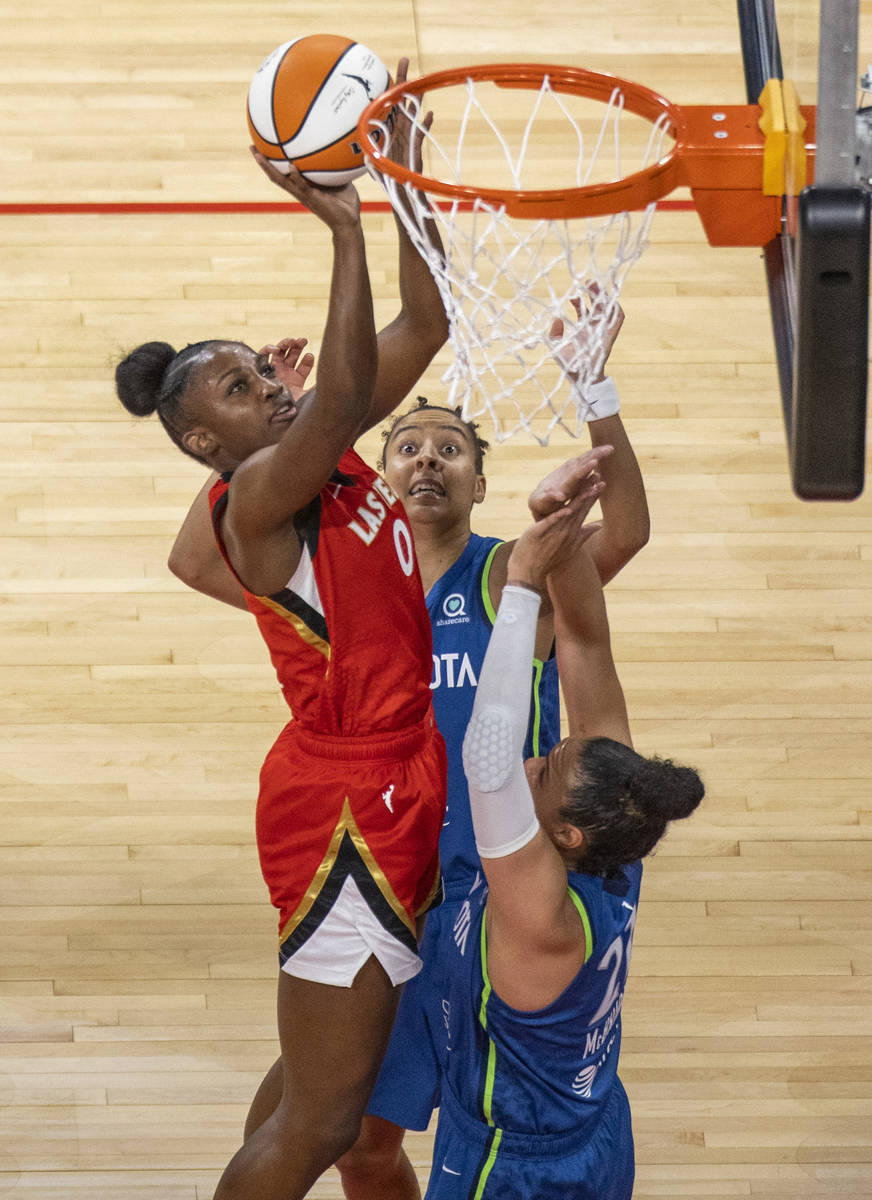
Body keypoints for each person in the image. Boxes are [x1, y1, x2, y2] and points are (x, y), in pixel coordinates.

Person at [167, 311, 649, 1198]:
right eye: (407, 446)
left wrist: (596, 394)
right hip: (388, 883)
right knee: (345, 1132)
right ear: (373, 474)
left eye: (451, 448)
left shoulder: (516, 574)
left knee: (470, 1110)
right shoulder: (343, 583)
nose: (427, 459)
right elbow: (197, 562)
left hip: (497, 899)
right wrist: (289, 433)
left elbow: (619, 537)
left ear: (477, 484)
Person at [114, 63, 454, 1200]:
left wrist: (402, 181)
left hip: (394, 769)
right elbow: (354, 370)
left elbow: (428, 321)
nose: (264, 384)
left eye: (256, 369)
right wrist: (343, 227)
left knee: (313, 1080)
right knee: (320, 1124)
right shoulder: (260, 492)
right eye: (234, 389)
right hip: (345, 805)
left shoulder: (317, 446)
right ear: (206, 448)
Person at [419, 458, 704, 1198]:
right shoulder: (618, 835)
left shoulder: (538, 913)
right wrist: (561, 531)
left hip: (516, 1164)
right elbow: (584, 640)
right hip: (597, 1126)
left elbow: (488, 762)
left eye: (544, 772)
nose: (535, 759)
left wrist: (518, 588)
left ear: (569, 835)